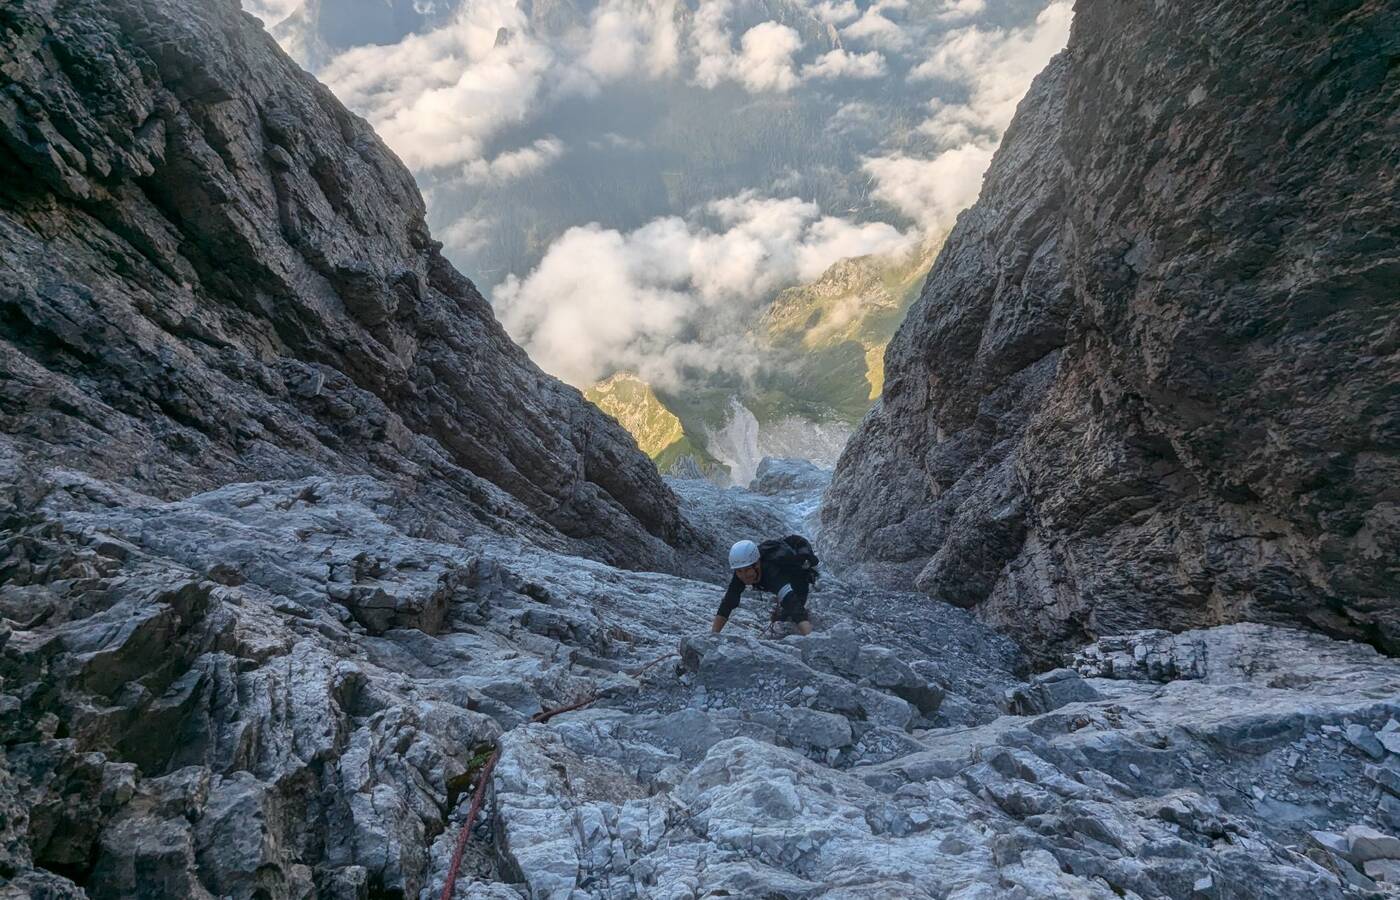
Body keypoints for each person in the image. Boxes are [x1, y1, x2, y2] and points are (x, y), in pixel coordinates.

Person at [711, 536, 818, 636]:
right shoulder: (742, 568)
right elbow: (728, 602)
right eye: (739, 571)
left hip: (797, 573)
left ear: (757, 564)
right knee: (784, 616)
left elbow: (794, 606)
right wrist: (713, 635)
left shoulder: (771, 573)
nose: (744, 576)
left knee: (790, 613)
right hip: (780, 570)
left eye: (747, 570)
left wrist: (811, 639)